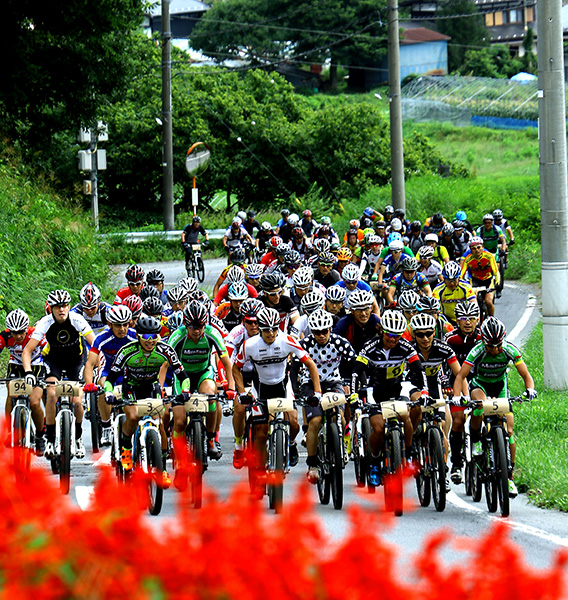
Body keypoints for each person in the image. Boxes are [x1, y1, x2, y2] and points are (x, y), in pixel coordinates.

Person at [232, 307, 322, 485]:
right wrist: (242, 392)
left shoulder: (287, 340)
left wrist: (318, 392)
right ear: (260, 329)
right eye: (266, 329)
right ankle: (259, 469)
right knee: (261, 432)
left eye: (274, 329)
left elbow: (310, 364)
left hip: (282, 386)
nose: (271, 333)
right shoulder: (249, 345)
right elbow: (236, 368)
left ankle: (290, 443)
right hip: (261, 389)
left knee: (294, 423)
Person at [103, 315, 192, 488]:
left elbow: (182, 375)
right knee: (134, 417)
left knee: (160, 422)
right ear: (138, 336)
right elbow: (110, 378)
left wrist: (186, 391)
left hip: (152, 386)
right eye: (146, 337)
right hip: (131, 387)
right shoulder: (127, 351)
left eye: (154, 337)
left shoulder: (165, 350)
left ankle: (162, 468)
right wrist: (108, 393)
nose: (150, 341)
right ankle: (127, 450)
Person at [452, 317, 537, 497]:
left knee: (510, 430)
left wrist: (530, 389)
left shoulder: (508, 349)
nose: (495, 349)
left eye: (498, 344)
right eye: (491, 346)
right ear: (484, 342)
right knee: (480, 407)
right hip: (480, 385)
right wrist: (458, 397)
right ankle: (476, 440)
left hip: (499, 387)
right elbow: (460, 377)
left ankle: (509, 476)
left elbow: (526, 374)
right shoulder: (477, 351)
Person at [350, 309, 428, 486]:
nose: (393, 339)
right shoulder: (370, 346)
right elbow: (357, 371)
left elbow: (418, 370)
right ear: (382, 331)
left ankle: (407, 454)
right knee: (377, 429)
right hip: (375, 392)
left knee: (405, 417)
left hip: (396, 390)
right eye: (389, 335)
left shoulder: (405, 347)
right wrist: (354, 394)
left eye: (397, 336)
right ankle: (375, 463)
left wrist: (423, 392)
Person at [167, 302, 237, 488]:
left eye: (199, 326)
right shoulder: (178, 336)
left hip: (204, 373)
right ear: (185, 324)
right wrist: (159, 388)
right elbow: (165, 364)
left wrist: (230, 386)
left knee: (211, 395)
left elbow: (226, 361)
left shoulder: (212, 333)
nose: (196, 330)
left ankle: (211, 438)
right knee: (180, 421)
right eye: (191, 326)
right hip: (182, 376)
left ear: (205, 323)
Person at [22, 290, 95, 461]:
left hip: (75, 362)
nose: (61, 310)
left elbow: (95, 345)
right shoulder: (45, 323)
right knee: (52, 395)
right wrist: (28, 373)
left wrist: (94, 367)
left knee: (77, 402)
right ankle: (50, 439)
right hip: (53, 361)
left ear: (69, 306)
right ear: (51, 308)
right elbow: (27, 351)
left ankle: (77, 438)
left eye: (64, 306)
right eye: (57, 307)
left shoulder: (77, 319)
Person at [409, 312, 468, 486]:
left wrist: (462, 396)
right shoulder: (408, 349)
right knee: (416, 408)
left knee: (442, 429)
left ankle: (442, 470)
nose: (425, 338)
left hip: (434, 387)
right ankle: (411, 446)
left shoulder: (444, 349)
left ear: (435, 332)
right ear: (414, 335)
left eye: (429, 333)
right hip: (414, 386)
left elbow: (459, 375)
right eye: (420, 335)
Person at [299, 309, 356, 483]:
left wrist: (350, 384)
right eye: (317, 332)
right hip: (310, 384)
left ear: (330, 329)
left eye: (325, 331)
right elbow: (294, 366)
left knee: (339, 414)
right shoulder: (305, 344)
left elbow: (354, 363)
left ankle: (344, 440)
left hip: (333, 382)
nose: (321, 335)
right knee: (315, 422)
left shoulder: (341, 342)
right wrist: (296, 390)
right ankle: (312, 464)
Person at [82, 305, 137, 447]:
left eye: (125, 324)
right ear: (109, 324)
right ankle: (106, 424)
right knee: (102, 388)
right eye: (118, 325)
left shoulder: (134, 336)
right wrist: (89, 384)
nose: (122, 329)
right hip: (108, 372)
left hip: (129, 372)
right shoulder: (101, 338)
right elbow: (89, 364)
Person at [444, 301, 481, 482]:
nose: (468, 322)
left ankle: (481, 445)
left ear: (478, 320)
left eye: (472, 318)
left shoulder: (483, 338)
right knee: (458, 421)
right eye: (464, 319)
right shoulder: (450, 340)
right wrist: (446, 386)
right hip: (455, 383)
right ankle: (456, 463)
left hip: (478, 382)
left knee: (483, 414)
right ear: (457, 321)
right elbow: (443, 365)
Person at [1, 309, 46, 454]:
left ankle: (40, 436)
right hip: (16, 365)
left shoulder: (36, 334)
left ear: (27, 328)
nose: (18, 336)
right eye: (14, 333)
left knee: (34, 402)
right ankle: (9, 430)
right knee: (11, 394)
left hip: (36, 365)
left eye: (21, 332)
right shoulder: (5, 336)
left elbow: (49, 351)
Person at [461, 236, 499, 316]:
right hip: (475, 280)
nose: (477, 250)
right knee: (472, 303)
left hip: (488, 280)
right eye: (474, 248)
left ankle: (492, 319)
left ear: (482, 247)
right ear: (470, 249)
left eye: (479, 247)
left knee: (488, 302)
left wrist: (497, 282)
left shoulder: (489, 256)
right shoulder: (468, 259)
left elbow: (496, 271)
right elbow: (462, 274)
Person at [334, 289, 380, 354]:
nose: (363, 314)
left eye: (366, 309)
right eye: (359, 310)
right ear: (352, 311)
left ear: (371, 308)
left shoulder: (375, 320)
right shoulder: (344, 323)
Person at [433, 261, 476, 325]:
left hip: (463, 318)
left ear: (459, 278)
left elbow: (474, 304)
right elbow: (434, 308)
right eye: (448, 280)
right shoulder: (438, 290)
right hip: (446, 320)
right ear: (443, 279)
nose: (451, 283)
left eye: (454, 280)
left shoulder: (466, 287)